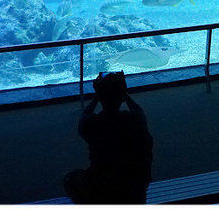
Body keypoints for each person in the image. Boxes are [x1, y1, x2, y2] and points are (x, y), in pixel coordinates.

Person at [63, 71, 153, 204]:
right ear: (121, 96)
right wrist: (123, 92)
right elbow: (139, 112)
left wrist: (97, 96)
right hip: (135, 185)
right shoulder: (134, 120)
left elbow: (83, 118)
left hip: (102, 183)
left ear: (100, 96)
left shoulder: (93, 124)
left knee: (70, 179)